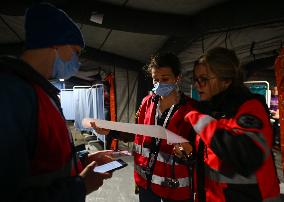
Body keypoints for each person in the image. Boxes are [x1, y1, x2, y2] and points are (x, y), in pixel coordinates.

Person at [0, 3, 113, 202]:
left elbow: (43, 162)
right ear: (56, 43)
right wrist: (80, 187)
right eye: (76, 52)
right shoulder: (11, 94)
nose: (77, 62)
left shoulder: (42, 92)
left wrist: (82, 161)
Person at [175, 47, 280, 201]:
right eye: (195, 80)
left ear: (226, 80)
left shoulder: (250, 108)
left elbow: (246, 157)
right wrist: (189, 154)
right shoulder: (211, 110)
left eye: (203, 79)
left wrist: (199, 120)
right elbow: (213, 160)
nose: (197, 86)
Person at [92, 52, 196, 201]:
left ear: (177, 78)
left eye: (165, 79)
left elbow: (199, 151)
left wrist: (189, 152)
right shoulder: (147, 103)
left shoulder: (190, 109)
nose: (159, 84)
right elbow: (137, 134)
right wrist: (111, 131)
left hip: (175, 189)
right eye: (155, 80)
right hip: (146, 184)